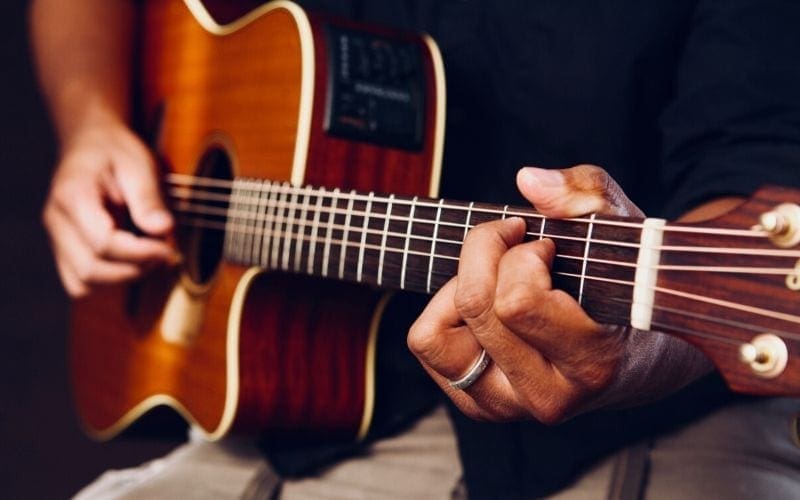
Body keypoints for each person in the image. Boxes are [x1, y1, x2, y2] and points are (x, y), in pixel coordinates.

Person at [32, 0, 800, 498]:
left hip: (649, 424)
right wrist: (91, 123)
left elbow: (756, 179)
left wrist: (637, 351)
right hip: (284, 415)